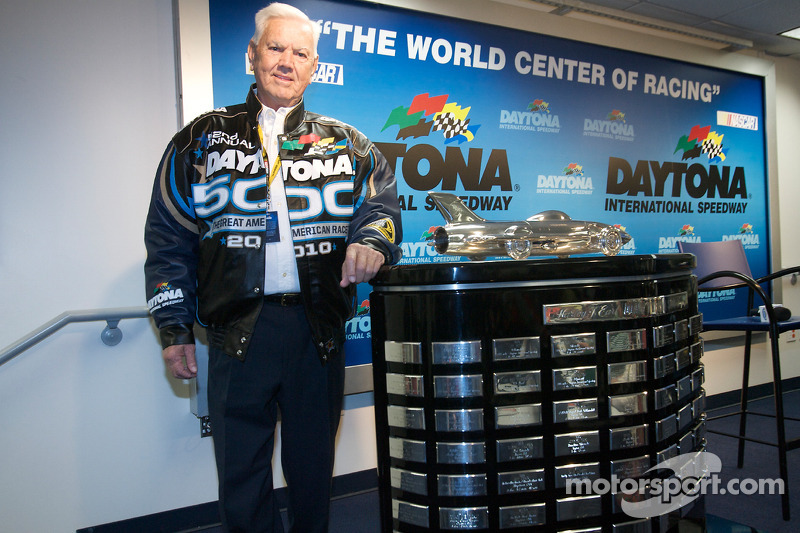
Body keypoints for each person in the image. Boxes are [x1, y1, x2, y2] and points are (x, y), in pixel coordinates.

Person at [144, 3, 403, 531]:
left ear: (314, 68)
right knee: (240, 475)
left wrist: (374, 241)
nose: (287, 61)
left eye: (300, 53)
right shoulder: (200, 139)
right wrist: (173, 329)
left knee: (313, 471)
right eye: (276, 47)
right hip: (237, 330)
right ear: (252, 55)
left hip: (318, 330)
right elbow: (169, 238)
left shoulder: (350, 144)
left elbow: (382, 207)